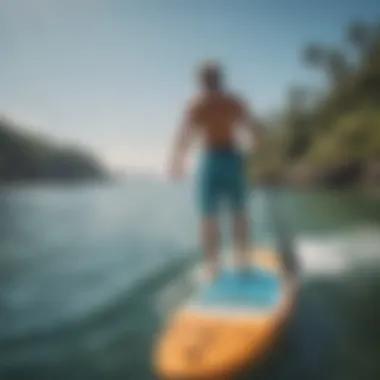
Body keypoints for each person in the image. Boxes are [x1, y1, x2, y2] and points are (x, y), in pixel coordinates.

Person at [168, 60, 264, 280]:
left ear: (201, 81)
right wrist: (260, 143)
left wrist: (177, 162)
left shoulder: (197, 104)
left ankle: (213, 265)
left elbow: (184, 136)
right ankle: (242, 261)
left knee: (208, 216)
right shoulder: (233, 102)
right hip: (231, 158)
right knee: (238, 213)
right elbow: (253, 127)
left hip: (211, 159)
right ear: (220, 79)